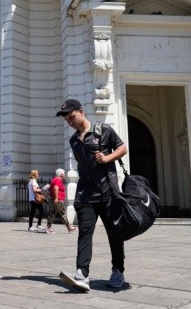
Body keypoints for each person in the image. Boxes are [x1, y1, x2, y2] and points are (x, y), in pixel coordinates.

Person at [55, 99, 128, 292]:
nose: (69, 122)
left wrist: (107, 158)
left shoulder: (103, 129)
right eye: (66, 119)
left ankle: (118, 271)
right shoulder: (73, 140)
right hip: (86, 195)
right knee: (85, 233)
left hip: (108, 193)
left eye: (71, 117)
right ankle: (82, 274)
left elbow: (123, 148)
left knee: (114, 235)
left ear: (81, 112)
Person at [46, 168, 77, 234]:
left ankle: (48, 227)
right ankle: (69, 227)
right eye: (64, 174)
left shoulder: (54, 179)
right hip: (58, 200)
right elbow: (56, 188)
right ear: (61, 174)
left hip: (53, 199)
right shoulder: (58, 180)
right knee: (63, 213)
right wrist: (57, 198)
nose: (65, 175)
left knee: (52, 213)